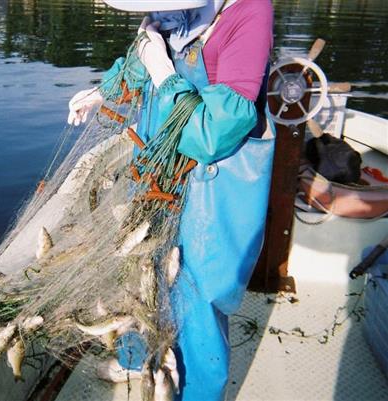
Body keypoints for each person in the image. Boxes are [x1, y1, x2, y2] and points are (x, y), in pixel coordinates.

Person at [68, 1, 275, 400]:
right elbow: (140, 58)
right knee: (139, 264)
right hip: (155, 164)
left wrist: (163, 68)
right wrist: (101, 92)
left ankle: (197, 390)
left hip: (207, 179)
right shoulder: (174, 11)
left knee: (194, 288)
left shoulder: (248, 12)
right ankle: (134, 360)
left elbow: (214, 132)